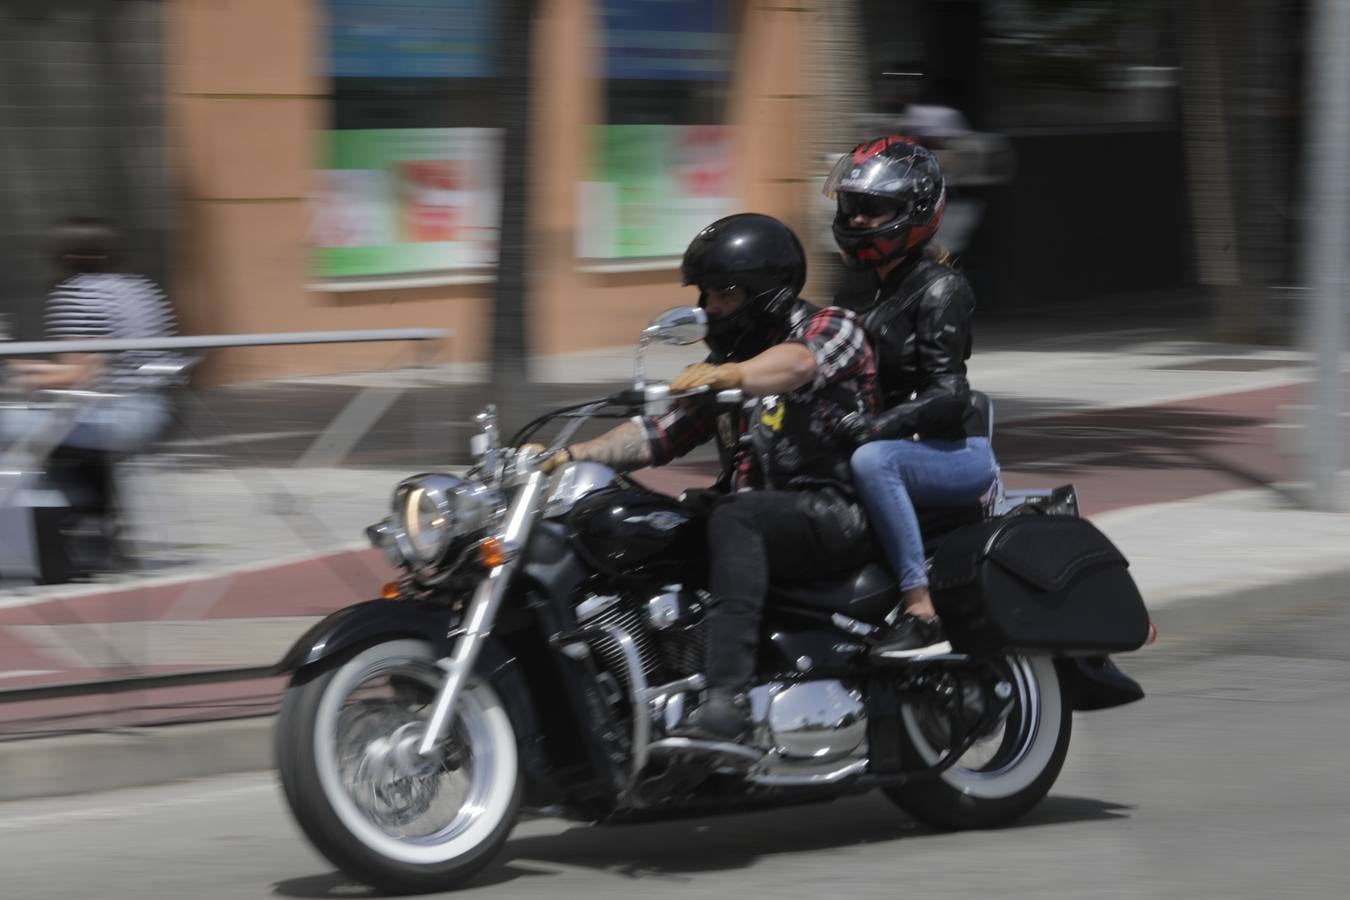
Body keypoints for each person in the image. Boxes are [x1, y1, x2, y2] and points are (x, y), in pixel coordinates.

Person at [533, 213, 877, 742]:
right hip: (753, 514)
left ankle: (727, 698)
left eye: (724, 294)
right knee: (636, 518)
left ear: (767, 292)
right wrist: (571, 454)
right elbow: (659, 433)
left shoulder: (833, 328)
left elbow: (799, 364)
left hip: (829, 512)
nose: (708, 308)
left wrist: (733, 375)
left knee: (736, 517)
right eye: (705, 294)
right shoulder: (725, 363)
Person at [824, 136, 997, 659]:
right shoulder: (855, 291)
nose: (857, 221)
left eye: (873, 210)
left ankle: (920, 608)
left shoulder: (940, 289)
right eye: (852, 208)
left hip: (951, 453)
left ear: (916, 212)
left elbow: (949, 393)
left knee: (875, 462)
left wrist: (878, 427)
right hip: (898, 444)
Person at [4, 216, 184, 454]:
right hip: (160, 409)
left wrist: (22, 380)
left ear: (63, 256)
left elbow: (78, 375)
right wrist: (18, 364)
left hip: (120, 417)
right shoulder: (140, 287)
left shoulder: (78, 294)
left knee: (7, 422)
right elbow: (95, 364)